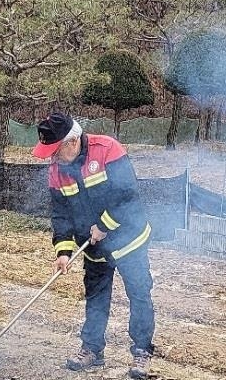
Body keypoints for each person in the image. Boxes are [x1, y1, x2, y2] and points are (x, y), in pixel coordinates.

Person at [32, 112, 155, 380]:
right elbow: (61, 215)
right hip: (94, 249)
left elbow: (128, 196)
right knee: (96, 297)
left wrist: (104, 225)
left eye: (54, 151)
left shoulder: (108, 149)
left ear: (71, 142)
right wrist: (63, 252)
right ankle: (92, 350)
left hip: (128, 240)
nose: (52, 158)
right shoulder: (57, 172)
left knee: (139, 294)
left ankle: (142, 351)